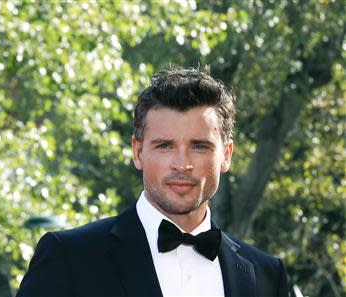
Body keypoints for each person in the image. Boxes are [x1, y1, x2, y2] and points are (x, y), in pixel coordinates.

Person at [16, 66, 289, 297]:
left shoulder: (266, 275)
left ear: (226, 155)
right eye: (165, 146)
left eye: (200, 146)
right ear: (138, 152)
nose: (182, 164)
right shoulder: (70, 258)